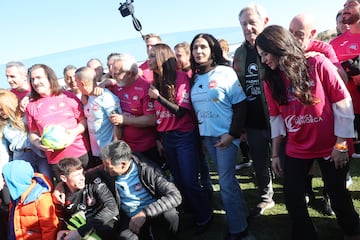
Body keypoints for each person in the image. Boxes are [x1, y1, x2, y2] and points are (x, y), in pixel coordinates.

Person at [256, 24, 360, 240]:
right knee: (293, 196)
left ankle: (351, 230)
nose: (264, 59)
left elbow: (343, 103)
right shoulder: (270, 79)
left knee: (338, 194)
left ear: (278, 46)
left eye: (265, 53)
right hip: (297, 147)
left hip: (332, 145)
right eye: (261, 55)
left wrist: (341, 145)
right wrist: (275, 153)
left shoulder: (317, 63)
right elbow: (276, 119)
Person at [148, 43, 213, 233]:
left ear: (161, 58)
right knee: (179, 180)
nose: (149, 59)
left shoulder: (180, 77)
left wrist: (158, 97)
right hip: (168, 138)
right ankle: (194, 214)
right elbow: (158, 116)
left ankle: (206, 216)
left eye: (152, 56)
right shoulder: (155, 82)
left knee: (190, 181)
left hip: (184, 135)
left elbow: (182, 112)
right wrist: (159, 138)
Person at [190, 33, 249, 240]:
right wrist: (203, 139)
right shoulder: (194, 78)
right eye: (195, 47)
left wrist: (232, 134)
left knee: (225, 183)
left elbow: (241, 105)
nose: (199, 51)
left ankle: (238, 229)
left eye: (203, 47)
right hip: (208, 138)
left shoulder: (225, 72)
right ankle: (242, 217)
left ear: (212, 50)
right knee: (229, 182)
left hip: (225, 137)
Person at [87, 140, 182, 240]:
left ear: (123, 164)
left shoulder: (148, 170)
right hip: (129, 217)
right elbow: (86, 174)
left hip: (153, 212)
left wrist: (144, 213)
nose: (105, 169)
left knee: (170, 215)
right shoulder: (106, 170)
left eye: (108, 167)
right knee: (125, 237)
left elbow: (175, 196)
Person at [232, 3, 275, 217]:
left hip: (278, 118)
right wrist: (240, 125)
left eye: (252, 22)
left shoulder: (276, 45)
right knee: (259, 163)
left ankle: (299, 192)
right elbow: (237, 89)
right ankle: (266, 197)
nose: (248, 27)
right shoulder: (239, 53)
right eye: (243, 24)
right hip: (253, 120)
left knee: (286, 160)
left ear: (264, 22)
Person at [98, 53, 166, 169]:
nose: (113, 76)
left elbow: (152, 119)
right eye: (112, 73)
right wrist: (105, 82)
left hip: (146, 147)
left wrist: (124, 120)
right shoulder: (117, 84)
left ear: (129, 73)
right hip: (125, 148)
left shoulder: (145, 88)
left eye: (117, 73)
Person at [26, 64, 90, 181]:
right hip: (57, 161)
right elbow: (33, 133)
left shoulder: (68, 96)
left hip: (80, 153)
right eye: (32, 79)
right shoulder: (31, 106)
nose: (35, 82)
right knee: (71, 196)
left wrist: (73, 133)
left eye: (39, 77)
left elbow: (83, 120)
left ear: (50, 78)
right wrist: (37, 143)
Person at [173, 41, 213, 195]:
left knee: (201, 158)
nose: (177, 60)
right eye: (175, 56)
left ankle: (206, 187)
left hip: (198, 122)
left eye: (179, 56)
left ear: (188, 56)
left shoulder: (194, 76)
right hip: (188, 124)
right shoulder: (178, 76)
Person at [55, 157, 119, 240]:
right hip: (82, 228)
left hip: (104, 223)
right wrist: (62, 231)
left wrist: (81, 232)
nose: (82, 178)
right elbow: (64, 220)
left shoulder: (93, 180)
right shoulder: (61, 196)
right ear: (64, 178)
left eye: (82, 173)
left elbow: (112, 209)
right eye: (76, 175)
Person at [75, 66, 122, 167]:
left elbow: (118, 123)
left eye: (76, 82)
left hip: (109, 151)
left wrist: (115, 148)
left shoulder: (105, 97)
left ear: (82, 83)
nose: (75, 85)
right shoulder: (86, 97)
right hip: (96, 152)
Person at [331, 0, 360, 160]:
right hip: (345, 106)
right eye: (344, 7)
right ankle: (345, 175)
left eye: (350, 4)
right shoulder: (333, 45)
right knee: (345, 148)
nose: (345, 9)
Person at [0, 89, 51, 178]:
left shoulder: (27, 115)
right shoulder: (4, 126)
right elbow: (3, 152)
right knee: (28, 188)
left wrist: (27, 97)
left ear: (9, 105)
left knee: (47, 182)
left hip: (39, 153)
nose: (0, 113)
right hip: (21, 157)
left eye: (1, 109)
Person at [3, 160, 59, 240]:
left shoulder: (41, 198)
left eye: (7, 179)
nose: (4, 182)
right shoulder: (16, 195)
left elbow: (50, 228)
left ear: (17, 180)